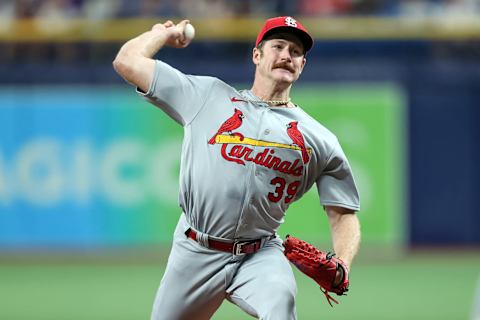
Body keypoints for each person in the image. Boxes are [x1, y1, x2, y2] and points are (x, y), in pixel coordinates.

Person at [113, 15, 361, 320]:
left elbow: (343, 213)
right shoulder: (206, 96)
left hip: (260, 253)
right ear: (256, 55)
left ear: (302, 66)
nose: (286, 55)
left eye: (296, 52)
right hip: (195, 250)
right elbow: (127, 61)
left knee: (280, 302)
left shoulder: (319, 138)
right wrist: (161, 34)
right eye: (278, 46)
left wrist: (344, 263)